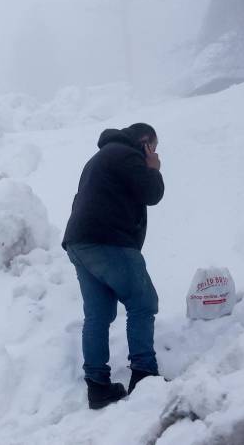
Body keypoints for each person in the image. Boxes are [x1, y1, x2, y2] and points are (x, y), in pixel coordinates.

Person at [62, 123, 165, 410]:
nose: (154, 154)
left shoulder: (99, 159)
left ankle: (97, 388)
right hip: (108, 239)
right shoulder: (127, 155)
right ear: (144, 143)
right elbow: (151, 193)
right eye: (153, 148)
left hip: (80, 243)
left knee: (98, 314)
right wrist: (153, 167)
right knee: (143, 303)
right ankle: (144, 376)